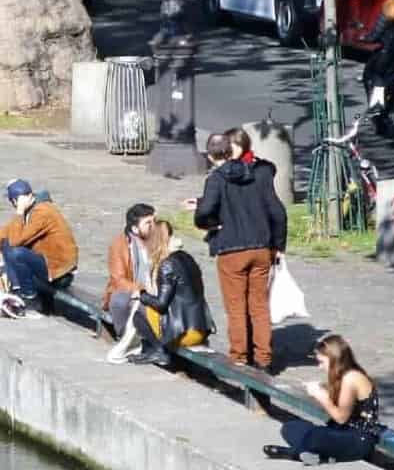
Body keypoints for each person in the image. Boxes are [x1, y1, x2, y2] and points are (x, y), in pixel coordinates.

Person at [185, 130, 288, 371]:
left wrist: (207, 223)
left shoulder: (216, 179)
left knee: (236, 306)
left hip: (231, 250)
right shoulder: (257, 174)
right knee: (259, 305)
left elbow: (206, 211)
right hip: (261, 248)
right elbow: (277, 212)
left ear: (210, 156)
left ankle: (240, 356)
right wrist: (278, 245)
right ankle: (263, 357)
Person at [264, 335, 385, 465]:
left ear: (334, 359)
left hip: (358, 439)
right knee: (291, 427)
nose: (320, 367)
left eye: (322, 362)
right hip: (339, 433)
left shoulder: (352, 377)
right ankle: (318, 455)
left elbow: (341, 418)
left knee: (317, 437)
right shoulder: (342, 376)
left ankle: (294, 453)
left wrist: (322, 396)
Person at [0, 180, 79, 312]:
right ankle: (17, 290)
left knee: (16, 252)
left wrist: (19, 212)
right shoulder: (32, 210)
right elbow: (2, 234)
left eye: (12, 202)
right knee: (5, 243)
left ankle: (30, 296)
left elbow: (16, 241)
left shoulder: (43, 212)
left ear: (15, 201)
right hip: (47, 264)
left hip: (59, 273)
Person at [128, 226, 213, 366]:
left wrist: (142, 295)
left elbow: (161, 304)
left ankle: (160, 351)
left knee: (140, 312)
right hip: (201, 329)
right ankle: (155, 351)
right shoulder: (187, 258)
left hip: (185, 334)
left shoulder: (168, 264)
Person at [102, 202, 160, 330]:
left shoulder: (159, 240)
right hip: (134, 292)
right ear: (135, 229)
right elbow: (118, 280)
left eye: (154, 221)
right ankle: (124, 336)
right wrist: (143, 291)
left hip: (156, 293)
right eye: (148, 223)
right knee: (120, 301)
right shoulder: (120, 245)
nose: (153, 226)